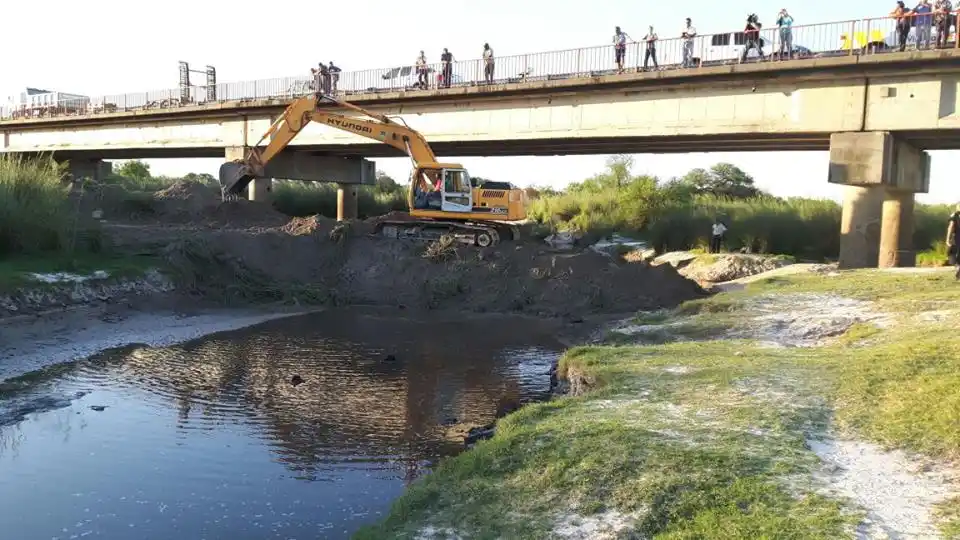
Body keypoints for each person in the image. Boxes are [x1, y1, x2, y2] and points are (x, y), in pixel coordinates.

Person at [948, 204, 960, 279]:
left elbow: (951, 227)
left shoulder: (954, 216)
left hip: (957, 236)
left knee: (952, 253)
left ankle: (958, 267)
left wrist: (948, 238)